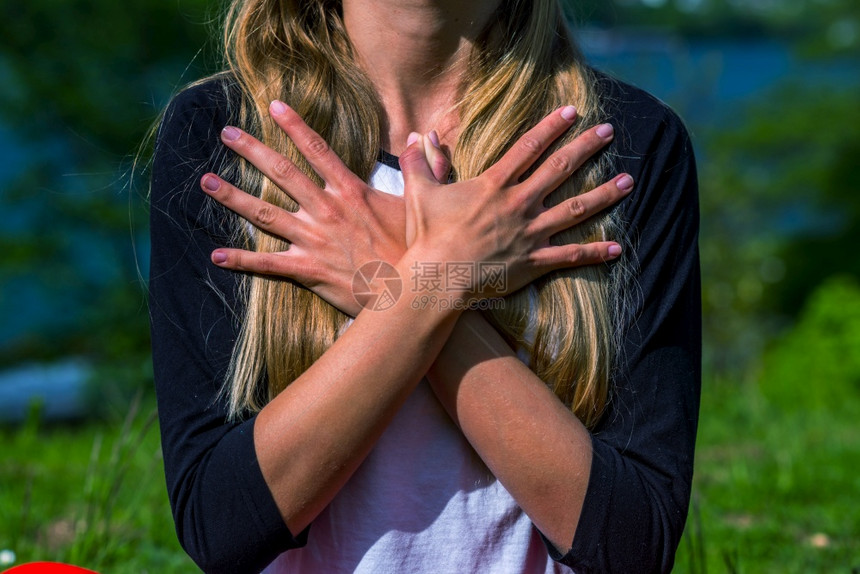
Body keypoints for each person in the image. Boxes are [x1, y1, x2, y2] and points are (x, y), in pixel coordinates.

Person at [148, 0, 701, 572]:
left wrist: (401, 277)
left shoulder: (625, 145)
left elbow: (637, 540)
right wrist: (444, 276)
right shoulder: (223, 137)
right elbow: (219, 524)